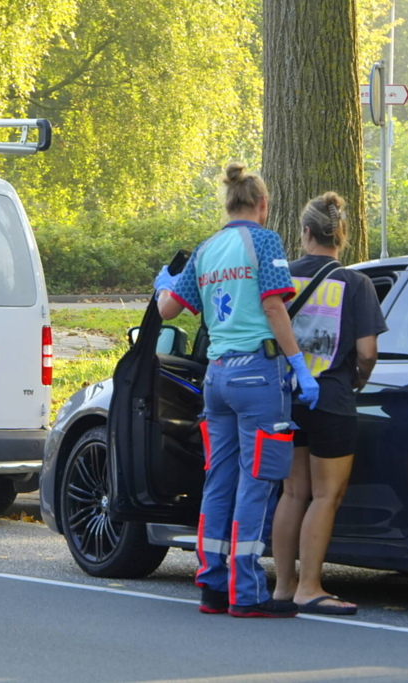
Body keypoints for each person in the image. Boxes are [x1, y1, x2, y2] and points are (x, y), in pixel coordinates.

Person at [155, 163, 320, 618]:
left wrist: (164, 284)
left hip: (217, 379)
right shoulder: (263, 241)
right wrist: (299, 366)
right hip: (257, 376)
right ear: (262, 205)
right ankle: (246, 592)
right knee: (257, 481)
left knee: (219, 479)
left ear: (227, 204)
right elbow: (274, 306)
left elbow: (168, 309)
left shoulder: (207, 250)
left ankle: (211, 585)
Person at [271, 192, 387, 615]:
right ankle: (310, 586)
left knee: (291, 491)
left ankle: (283, 586)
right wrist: (357, 380)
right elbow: (368, 351)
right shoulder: (355, 284)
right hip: (332, 398)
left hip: (286, 398)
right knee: (325, 495)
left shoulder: (284, 279)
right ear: (342, 235)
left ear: (305, 232)